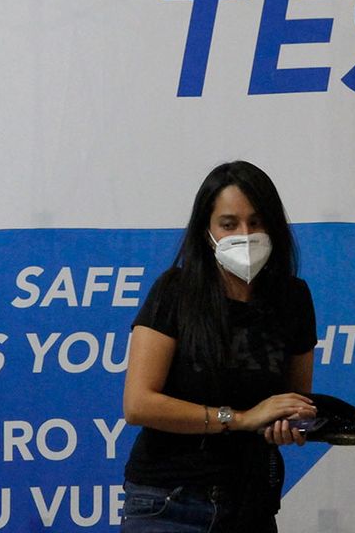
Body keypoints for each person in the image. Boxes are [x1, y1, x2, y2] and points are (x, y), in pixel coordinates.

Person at [121, 160, 318, 532]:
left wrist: (290, 423)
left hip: (251, 500)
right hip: (169, 501)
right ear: (207, 231)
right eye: (229, 224)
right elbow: (138, 404)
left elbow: (295, 399)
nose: (244, 234)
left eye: (256, 222)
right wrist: (241, 419)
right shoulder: (175, 290)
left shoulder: (293, 297)